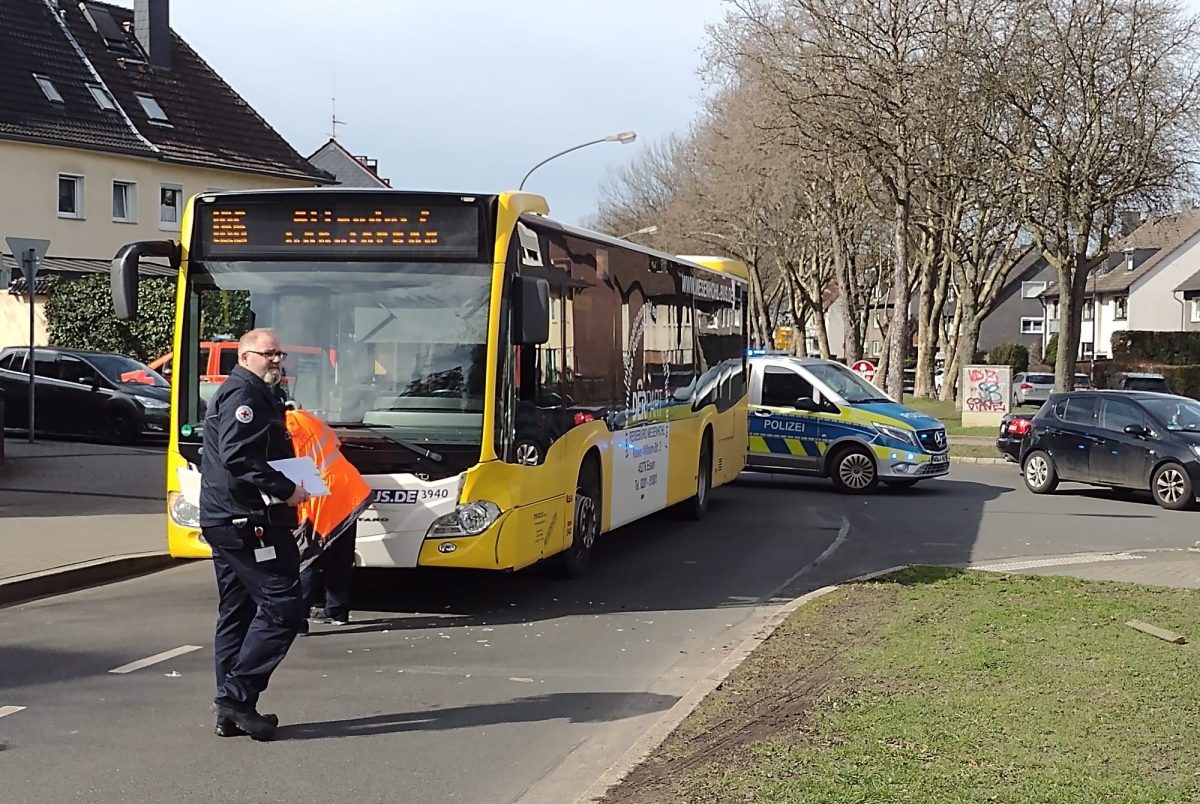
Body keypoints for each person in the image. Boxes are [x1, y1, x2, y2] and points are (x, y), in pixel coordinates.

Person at [199, 328, 309, 741]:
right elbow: (238, 455)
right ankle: (236, 697)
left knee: (239, 612)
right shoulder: (244, 395)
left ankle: (231, 711)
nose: (277, 360)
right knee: (284, 606)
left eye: (280, 353)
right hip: (246, 520)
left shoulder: (250, 392)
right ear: (245, 357)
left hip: (228, 517)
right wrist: (287, 489)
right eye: (268, 354)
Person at [286, 407, 372, 627]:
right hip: (349, 489)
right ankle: (337, 612)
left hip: (320, 493)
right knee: (340, 556)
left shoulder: (284, 428)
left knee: (308, 556)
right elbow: (335, 443)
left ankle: (297, 619)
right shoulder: (305, 417)